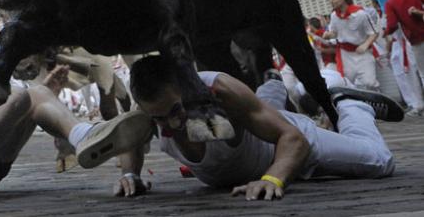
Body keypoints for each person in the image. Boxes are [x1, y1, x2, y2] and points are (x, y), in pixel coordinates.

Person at [0, 0, 152, 202]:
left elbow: (20, 104)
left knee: (34, 94)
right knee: (17, 94)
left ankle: (84, 137)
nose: (0, 32)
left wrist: (49, 92)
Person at [122, 55, 402, 200]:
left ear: (186, 87)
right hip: (251, 144)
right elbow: (128, 140)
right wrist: (130, 174)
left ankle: (352, 105)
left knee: (379, 160)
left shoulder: (219, 90)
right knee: (259, 110)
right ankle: (272, 84)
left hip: (283, 149)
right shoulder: (146, 112)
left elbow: (292, 138)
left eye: (176, 111)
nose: (171, 123)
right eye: (158, 118)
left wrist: (273, 179)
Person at [382, 0, 424, 116]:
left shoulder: (390, 2)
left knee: (418, 73)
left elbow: (392, 25)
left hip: (413, 39)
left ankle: (418, 104)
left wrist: (385, 32)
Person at [323, 0, 380, 91]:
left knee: (370, 82)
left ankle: (376, 98)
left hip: (363, 53)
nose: (331, 1)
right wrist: (329, 35)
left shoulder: (361, 14)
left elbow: (374, 32)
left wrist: (365, 45)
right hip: (345, 54)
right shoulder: (334, 16)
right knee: (347, 83)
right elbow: (335, 33)